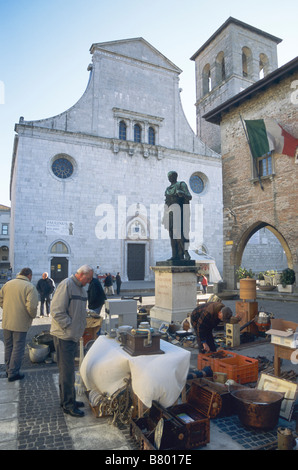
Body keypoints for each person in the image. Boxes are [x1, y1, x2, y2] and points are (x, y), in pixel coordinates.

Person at [50, 265, 93, 418]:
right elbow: (56, 310)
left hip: (72, 335)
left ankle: (68, 400)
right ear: (81, 274)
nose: (88, 282)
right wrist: (69, 326)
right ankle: (68, 405)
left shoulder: (81, 288)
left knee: (68, 371)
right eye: (87, 279)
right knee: (67, 372)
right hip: (64, 336)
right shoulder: (66, 284)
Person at [0, 267, 39, 382]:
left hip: (7, 321)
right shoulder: (30, 287)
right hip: (20, 322)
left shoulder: (7, 284)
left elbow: (0, 299)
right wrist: (32, 316)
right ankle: (13, 372)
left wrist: (5, 307)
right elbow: (31, 307)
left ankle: (8, 370)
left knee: (9, 346)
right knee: (18, 347)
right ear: (29, 276)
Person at [163, 171, 192, 261]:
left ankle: (186, 253)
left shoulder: (181, 184)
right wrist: (164, 216)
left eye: (171, 176)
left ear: (175, 176)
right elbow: (166, 203)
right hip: (170, 213)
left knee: (179, 233)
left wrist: (182, 193)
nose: (170, 178)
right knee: (171, 235)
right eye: (169, 176)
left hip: (179, 211)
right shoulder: (167, 189)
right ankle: (175, 255)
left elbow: (189, 196)